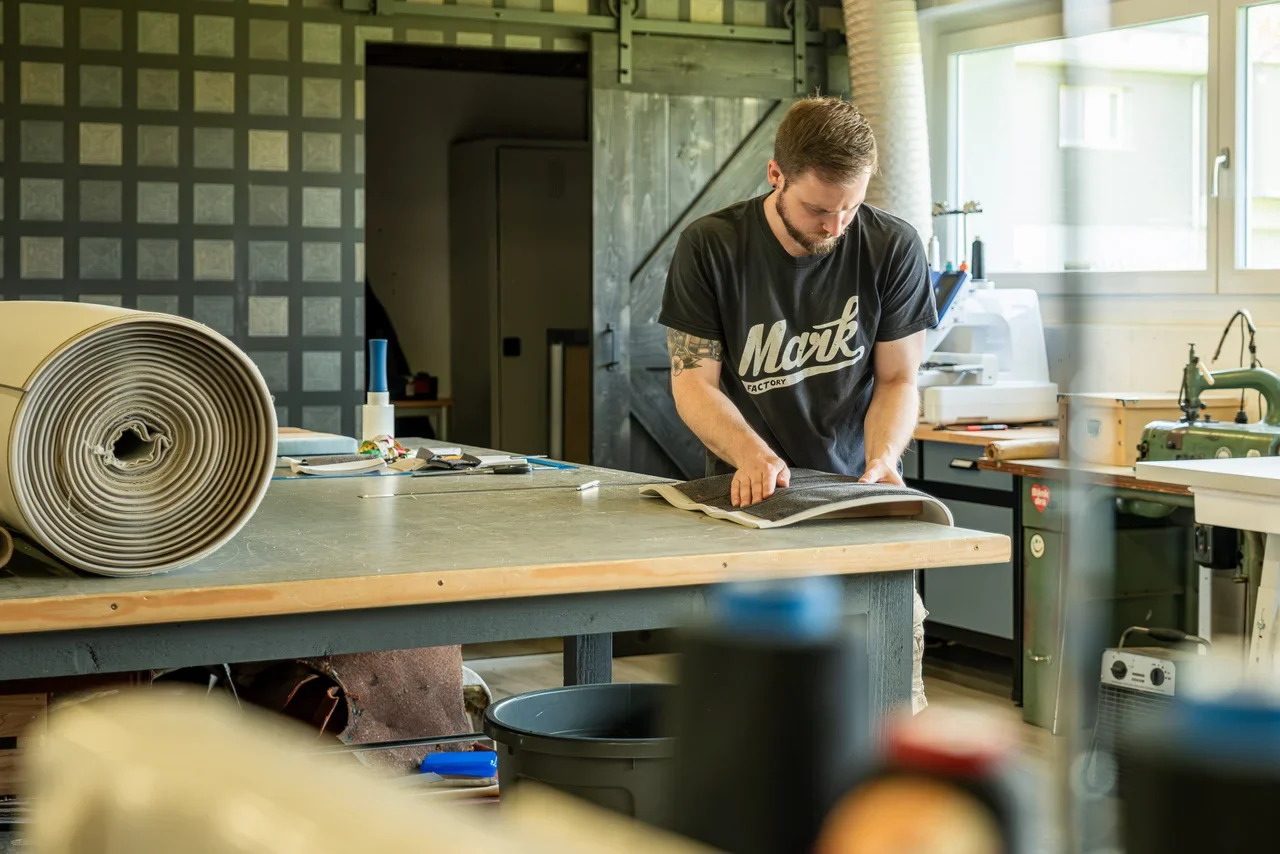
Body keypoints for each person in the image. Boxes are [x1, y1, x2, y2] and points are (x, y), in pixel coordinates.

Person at [659, 96, 937, 714]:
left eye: (851, 207)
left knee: (894, 691)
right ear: (775, 176)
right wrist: (753, 456)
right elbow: (693, 383)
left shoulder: (892, 244)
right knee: (759, 710)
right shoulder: (711, 246)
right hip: (749, 502)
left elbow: (897, 379)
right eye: (817, 209)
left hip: (855, 497)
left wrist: (884, 460)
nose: (835, 227)